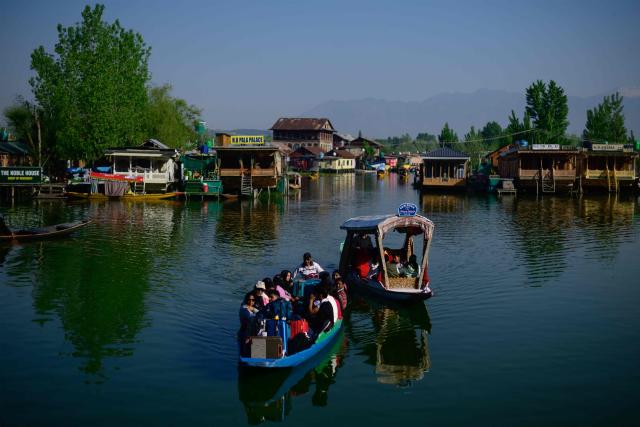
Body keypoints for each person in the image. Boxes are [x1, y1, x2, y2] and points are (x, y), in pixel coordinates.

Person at [238, 291, 259, 356]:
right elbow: (250, 318)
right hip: (245, 333)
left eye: (253, 300)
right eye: (249, 300)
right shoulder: (243, 309)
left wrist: (254, 309)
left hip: (252, 332)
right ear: (246, 300)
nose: (251, 301)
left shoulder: (253, 308)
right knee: (246, 353)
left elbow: (260, 313)